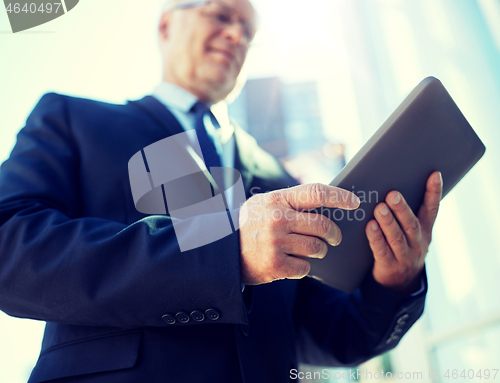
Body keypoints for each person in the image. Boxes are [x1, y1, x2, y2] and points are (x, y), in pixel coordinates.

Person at [0, 0, 443, 382]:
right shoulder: (73, 119)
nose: (236, 35)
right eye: (221, 15)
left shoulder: (280, 180)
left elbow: (329, 335)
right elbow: (10, 248)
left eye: (248, 31)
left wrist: (394, 282)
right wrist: (227, 252)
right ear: (166, 25)